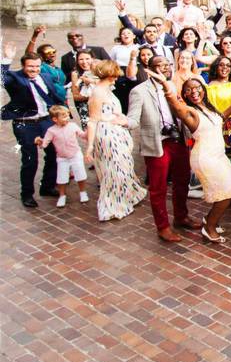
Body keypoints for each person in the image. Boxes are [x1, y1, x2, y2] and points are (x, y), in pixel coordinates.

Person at [149, 74, 231, 243]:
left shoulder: (207, 108)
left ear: (203, 90)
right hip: (206, 158)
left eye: (197, 88)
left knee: (230, 190)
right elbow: (177, 107)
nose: (194, 92)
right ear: (184, 95)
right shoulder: (190, 111)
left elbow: (221, 119)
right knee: (227, 194)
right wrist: (166, 84)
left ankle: (211, 220)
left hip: (218, 156)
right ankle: (209, 228)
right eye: (189, 90)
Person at [127, 56, 195, 241]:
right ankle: (162, 227)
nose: (166, 69)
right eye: (160, 66)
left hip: (178, 140)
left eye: (168, 65)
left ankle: (181, 216)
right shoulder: (139, 92)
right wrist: (120, 121)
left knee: (182, 180)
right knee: (159, 187)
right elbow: (133, 119)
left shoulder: (172, 86)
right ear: (149, 69)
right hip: (157, 143)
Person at [2, 45, 65, 207]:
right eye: (30, 66)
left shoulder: (45, 76)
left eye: (37, 66)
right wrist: (7, 59)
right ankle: (27, 194)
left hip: (46, 121)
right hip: (26, 124)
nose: (34, 69)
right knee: (30, 159)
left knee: (54, 153)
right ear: (23, 66)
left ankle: (47, 186)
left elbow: (54, 96)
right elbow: (1, 79)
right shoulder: (15, 78)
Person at [84, 60, 147, 222]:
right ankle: (113, 205)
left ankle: (126, 197)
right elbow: (93, 120)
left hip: (117, 132)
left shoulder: (105, 89)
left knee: (123, 166)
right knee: (114, 169)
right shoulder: (98, 93)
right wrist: (89, 147)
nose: (116, 78)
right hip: (107, 134)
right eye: (114, 75)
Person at [34, 105, 89, 208]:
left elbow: (82, 135)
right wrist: (40, 142)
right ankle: (62, 195)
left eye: (68, 115)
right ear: (55, 119)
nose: (67, 118)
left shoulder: (72, 126)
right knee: (61, 178)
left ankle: (83, 192)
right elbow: (44, 144)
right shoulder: (51, 131)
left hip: (75, 154)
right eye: (63, 116)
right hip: (62, 158)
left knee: (80, 174)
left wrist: (87, 132)